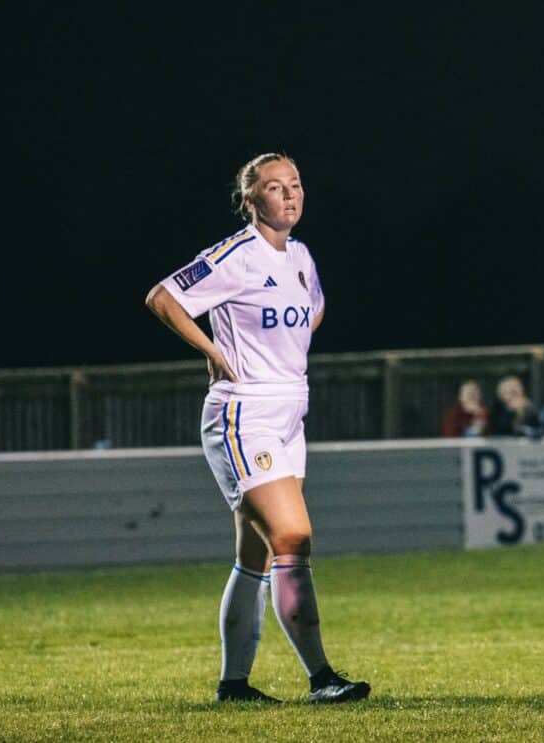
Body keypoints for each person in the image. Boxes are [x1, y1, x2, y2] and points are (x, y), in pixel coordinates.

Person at [144, 153, 369, 704]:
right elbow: (163, 297)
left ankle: (234, 685)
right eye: (275, 187)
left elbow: (311, 310)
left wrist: (276, 350)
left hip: (289, 414)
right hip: (244, 413)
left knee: (256, 555)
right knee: (293, 536)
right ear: (251, 200)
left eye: (295, 184)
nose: (289, 195)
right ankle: (321, 677)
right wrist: (213, 349)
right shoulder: (235, 255)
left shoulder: (301, 256)